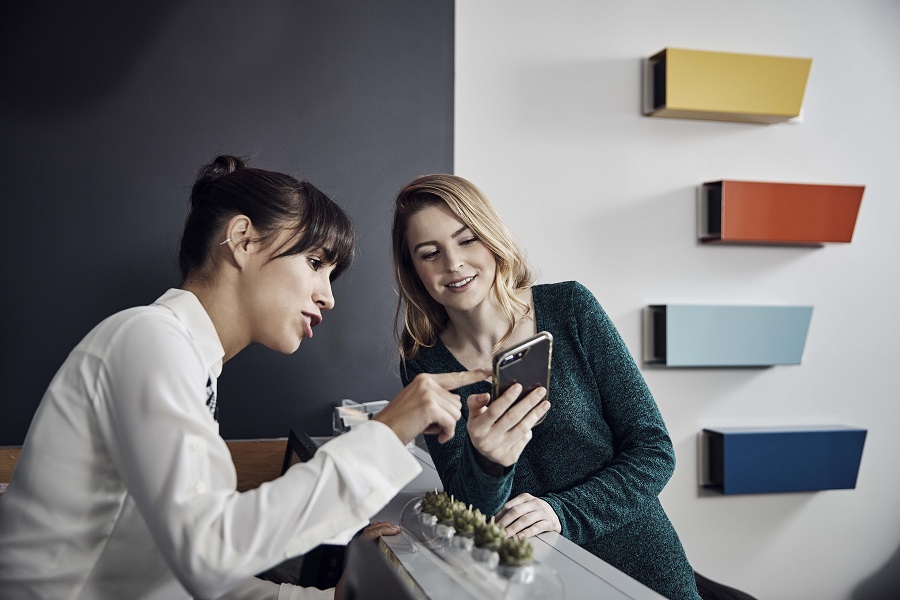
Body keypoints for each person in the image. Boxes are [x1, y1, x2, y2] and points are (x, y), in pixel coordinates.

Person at [0, 156, 487, 600]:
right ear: (243, 240)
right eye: (315, 263)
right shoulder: (149, 339)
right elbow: (207, 553)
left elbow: (179, 573)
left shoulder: (187, 360)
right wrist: (385, 432)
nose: (327, 297)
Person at [391, 174, 702, 600]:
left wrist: (562, 512)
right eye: (430, 253)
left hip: (641, 570)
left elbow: (653, 451)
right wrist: (487, 463)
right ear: (415, 272)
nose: (453, 264)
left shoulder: (570, 308)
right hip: (530, 585)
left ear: (492, 239)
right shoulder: (424, 367)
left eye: (467, 240)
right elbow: (467, 514)